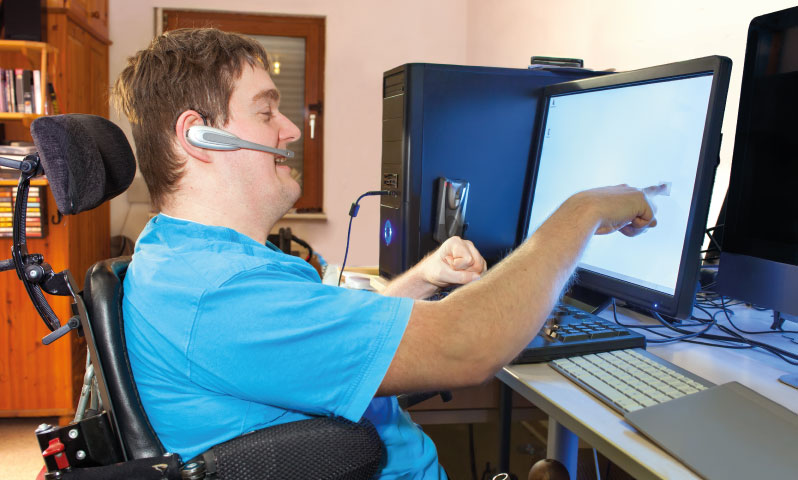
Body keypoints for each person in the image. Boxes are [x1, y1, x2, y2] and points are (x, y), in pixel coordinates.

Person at [113, 28, 663, 479]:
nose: (288, 129)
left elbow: (322, 344)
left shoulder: (182, 257)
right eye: (265, 113)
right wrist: (584, 210)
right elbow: (468, 347)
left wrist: (423, 276)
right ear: (200, 136)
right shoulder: (221, 295)